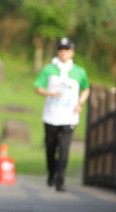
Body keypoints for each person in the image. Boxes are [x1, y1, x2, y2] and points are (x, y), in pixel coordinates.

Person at [34, 37, 90, 192]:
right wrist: (50, 93)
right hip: (51, 115)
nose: (64, 52)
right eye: (61, 49)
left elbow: (86, 89)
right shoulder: (49, 69)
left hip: (69, 116)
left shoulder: (79, 71)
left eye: (67, 49)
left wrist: (80, 103)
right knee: (50, 149)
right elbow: (38, 87)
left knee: (64, 149)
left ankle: (60, 180)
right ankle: (51, 173)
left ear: (72, 51)